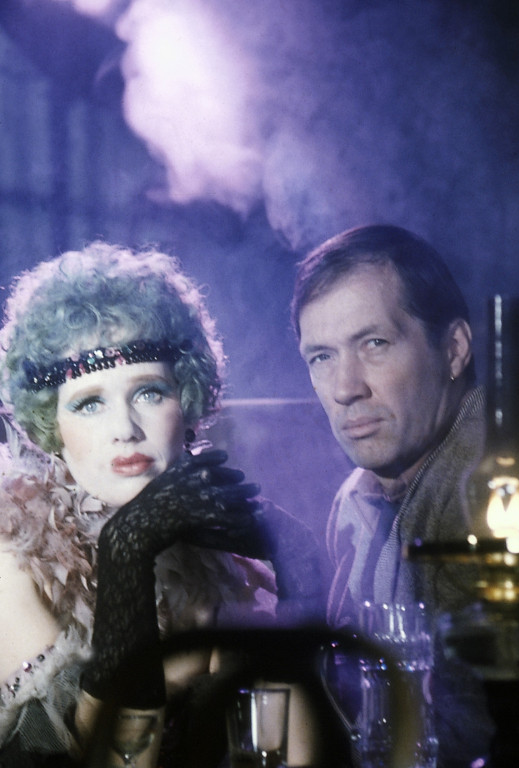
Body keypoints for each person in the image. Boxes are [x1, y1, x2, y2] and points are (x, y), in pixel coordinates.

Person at [0, 241, 321, 767]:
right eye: (89, 403)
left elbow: (295, 755)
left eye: (149, 393)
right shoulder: (15, 557)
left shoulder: (221, 560)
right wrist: (128, 549)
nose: (125, 429)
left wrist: (297, 556)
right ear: (51, 428)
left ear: (186, 402)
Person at [290, 224, 494, 767]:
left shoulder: (488, 492)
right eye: (321, 357)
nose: (345, 388)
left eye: (374, 344)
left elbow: (476, 736)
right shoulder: (358, 501)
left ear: (454, 349)